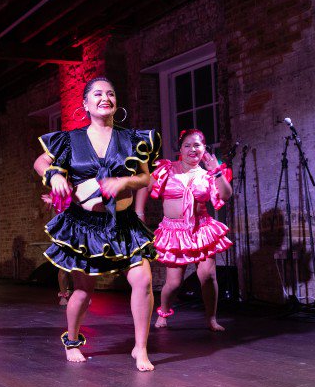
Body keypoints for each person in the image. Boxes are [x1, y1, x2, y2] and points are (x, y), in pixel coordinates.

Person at [34, 77, 160, 371]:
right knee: (83, 290)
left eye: (111, 94)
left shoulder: (132, 139)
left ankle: (140, 348)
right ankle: (73, 338)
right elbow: (41, 161)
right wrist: (54, 175)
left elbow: (146, 177)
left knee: (142, 280)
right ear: (85, 104)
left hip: (124, 223)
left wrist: (124, 180)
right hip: (85, 226)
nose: (106, 98)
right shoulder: (69, 140)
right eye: (98, 94)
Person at [135, 129, 233, 331]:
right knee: (174, 282)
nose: (192, 149)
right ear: (180, 149)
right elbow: (144, 184)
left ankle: (211, 318)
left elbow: (225, 195)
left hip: (201, 229)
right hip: (174, 232)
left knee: (208, 276)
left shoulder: (209, 175)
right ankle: (163, 311)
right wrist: (139, 212)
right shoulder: (167, 170)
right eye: (187, 145)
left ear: (204, 149)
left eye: (197, 145)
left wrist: (217, 171)